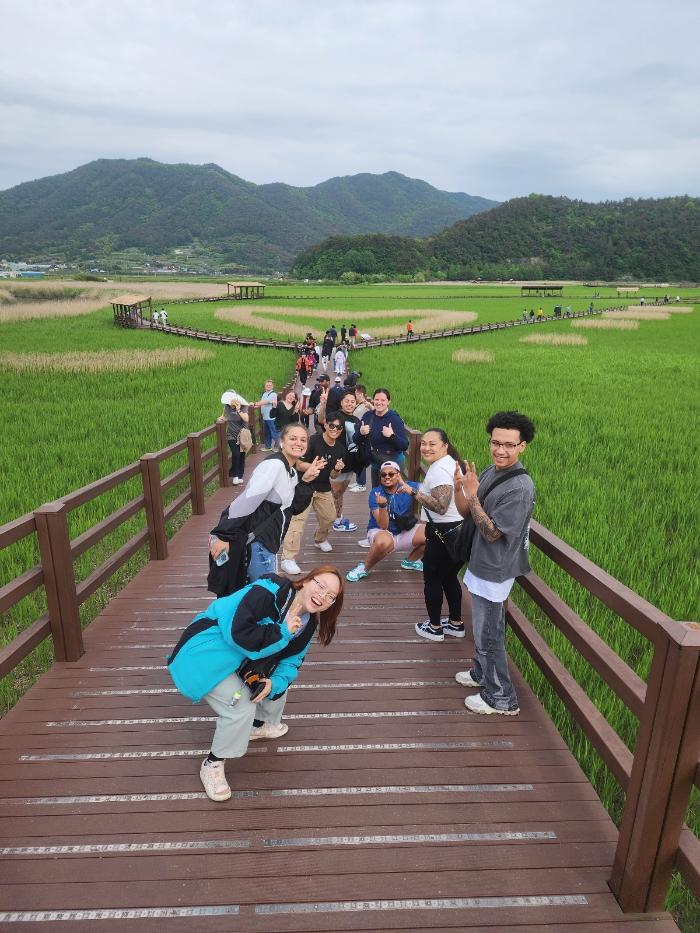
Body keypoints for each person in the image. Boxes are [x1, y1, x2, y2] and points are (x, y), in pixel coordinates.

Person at [168, 567, 343, 802]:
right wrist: (281, 632)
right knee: (240, 708)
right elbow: (237, 633)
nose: (323, 596)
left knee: (276, 683)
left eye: (331, 596)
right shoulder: (268, 590)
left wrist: (274, 684)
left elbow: (291, 663)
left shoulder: (307, 624)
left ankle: (260, 726)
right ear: (305, 581)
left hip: (243, 661)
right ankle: (213, 764)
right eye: (321, 585)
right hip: (207, 654)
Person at [453, 411, 536, 717]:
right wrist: (462, 488)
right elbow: (469, 512)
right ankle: (480, 672)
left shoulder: (521, 488)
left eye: (509, 445)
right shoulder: (491, 471)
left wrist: (472, 496)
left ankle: (502, 697)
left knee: (489, 632)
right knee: (482, 626)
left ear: (522, 446)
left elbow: (491, 533)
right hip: (480, 563)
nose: (501, 450)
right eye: (495, 442)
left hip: (495, 568)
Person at [207, 424, 324, 594]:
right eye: (293, 438)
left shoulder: (289, 471)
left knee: (254, 599)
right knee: (261, 598)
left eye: (303, 439)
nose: (299, 442)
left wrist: (305, 481)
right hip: (258, 545)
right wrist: (224, 534)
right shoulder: (274, 466)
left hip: (268, 544)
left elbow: (293, 508)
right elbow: (246, 501)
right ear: (282, 442)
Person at [279, 415, 350, 574]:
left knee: (330, 517)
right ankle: (287, 558)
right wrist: (313, 466)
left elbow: (332, 476)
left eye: (338, 428)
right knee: (298, 521)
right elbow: (298, 463)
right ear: (325, 424)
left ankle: (320, 539)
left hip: (323, 486)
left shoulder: (340, 449)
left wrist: (337, 469)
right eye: (332, 425)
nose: (334, 429)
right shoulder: (312, 441)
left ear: (341, 430)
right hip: (304, 485)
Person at [414, 429, 466, 642]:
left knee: (433, 579)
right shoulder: (451, 463)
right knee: (450, 577)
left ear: (445, 445)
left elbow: (441, 506)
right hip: (460, 530)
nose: (426, 447)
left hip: (442, 532)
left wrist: (414, 492)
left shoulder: (438, 469)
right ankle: (455, 623)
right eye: (423, 443)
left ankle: (434, 627)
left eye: (432, 444)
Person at [347, 461, 425, 581]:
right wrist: (383, 507)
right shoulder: (375, 493)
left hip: (403, 531)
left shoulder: (409, 486)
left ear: (398, 475)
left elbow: (430, 488)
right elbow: (383, 525)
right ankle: (364, 568)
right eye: (383, 475)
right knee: (384, 542)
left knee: (433, 533)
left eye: (391, 474)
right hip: (381, 532)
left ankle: (411, 561)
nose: (387, 477)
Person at [317, 389, 362, 533]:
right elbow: (321, 420)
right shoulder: (337, 416)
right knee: (334, 493)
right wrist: (323, 404)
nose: (349, 404)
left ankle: (338, 517)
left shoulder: (356, 420)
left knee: (340, 493)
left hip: (350, 463)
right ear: (341, 403)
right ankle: (333, 521)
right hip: (337, 462)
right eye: (346, 401)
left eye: (352, 401)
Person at [356, 387, 409, 489]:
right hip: (376, 463)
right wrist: (361, 433)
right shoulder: (368, 416)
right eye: (377, 399)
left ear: (388, 402)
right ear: (373, 400)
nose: (379, 402)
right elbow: (356, 440)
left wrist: (392, 436)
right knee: (377, 494)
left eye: (383, 400)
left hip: (393, 464)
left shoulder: (394, 419)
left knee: (392, 495)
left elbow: (404, 445)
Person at [219, 396, 250, 486]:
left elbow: (246, 419)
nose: (232, 404)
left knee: (242, 456)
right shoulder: (226, 407)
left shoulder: (244, 407)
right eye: (231, 403)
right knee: (236, 454)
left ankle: (240, 476)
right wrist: (221, 419)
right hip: (231, 435)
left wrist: (239, 410)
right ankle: (235, 476)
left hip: (242, 435)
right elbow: (225, 417)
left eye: (234, 403)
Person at [256, 379, 279, 451]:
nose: (268, 386)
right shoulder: (265, 393)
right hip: (265, 417)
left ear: (272, 386)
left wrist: (255, 403)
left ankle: (278, 447)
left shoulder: (273, 394)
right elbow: (261, 402)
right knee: (267, 433)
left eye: (270, 385)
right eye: (267, 385)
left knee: (274, 433)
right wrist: (252, 406)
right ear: (265, 386)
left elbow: (265, 402)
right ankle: (268, 446)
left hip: (271, 417)